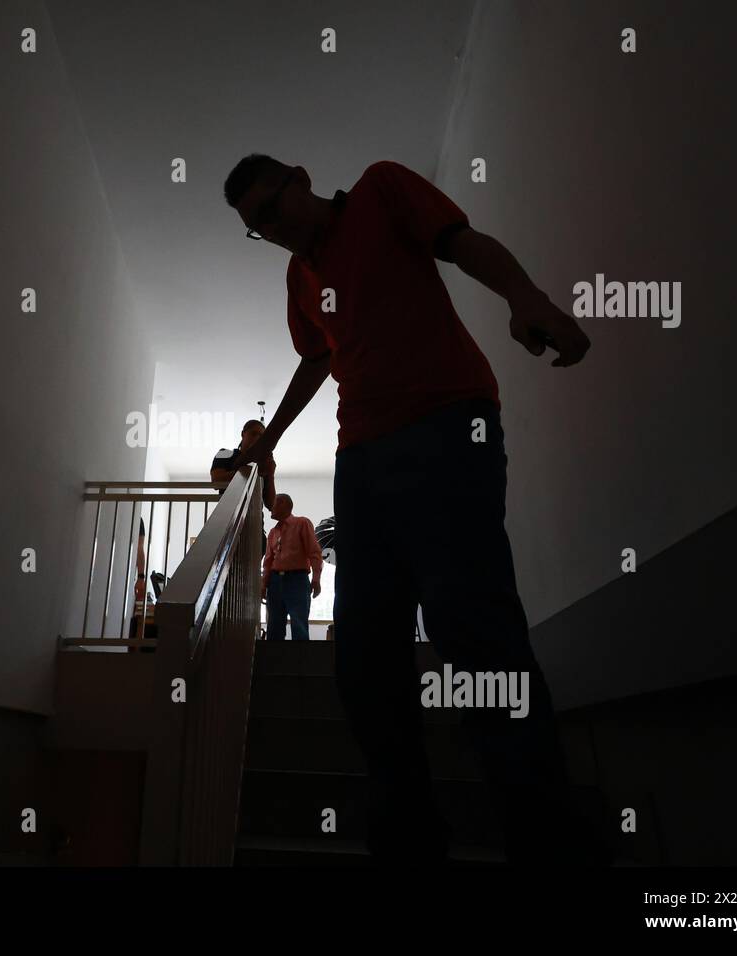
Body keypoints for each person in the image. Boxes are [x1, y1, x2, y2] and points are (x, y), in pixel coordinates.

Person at [223, 154, 605, 866]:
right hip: (362, 459)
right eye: (256, 228)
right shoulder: (298, 278)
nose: (271, 231)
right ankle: (408, 841)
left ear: (300, 179)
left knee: (474, 630)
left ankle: (549, 838)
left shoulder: (381, 191)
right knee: (365, 659)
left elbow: (462, 243)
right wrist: (266, 441)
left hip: (448, 423)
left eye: (272, 211)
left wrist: (528, 297)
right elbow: (317, 359)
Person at [261, 494, 323, 641]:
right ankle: (275, 661)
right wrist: (264, 585)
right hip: (275, 581)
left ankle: (300, 662)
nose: (271, 508)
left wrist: (316, 578)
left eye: (274, 504)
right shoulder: (273, 532)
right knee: (274, 626)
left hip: (298, 579)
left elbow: (314, 553)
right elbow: (268, 562)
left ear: (283, 504)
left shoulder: (302, 523)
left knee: (299, 625)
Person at [210, 418, 275, 556]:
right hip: (227, 524)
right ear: (243, 434)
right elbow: (216, 480)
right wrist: (249, 471)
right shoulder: (225, 452)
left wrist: (271, 474)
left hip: (255, 529)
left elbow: (271, 504)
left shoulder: (263, 462)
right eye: (253, 433)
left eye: (261, 436)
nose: (257, 438)